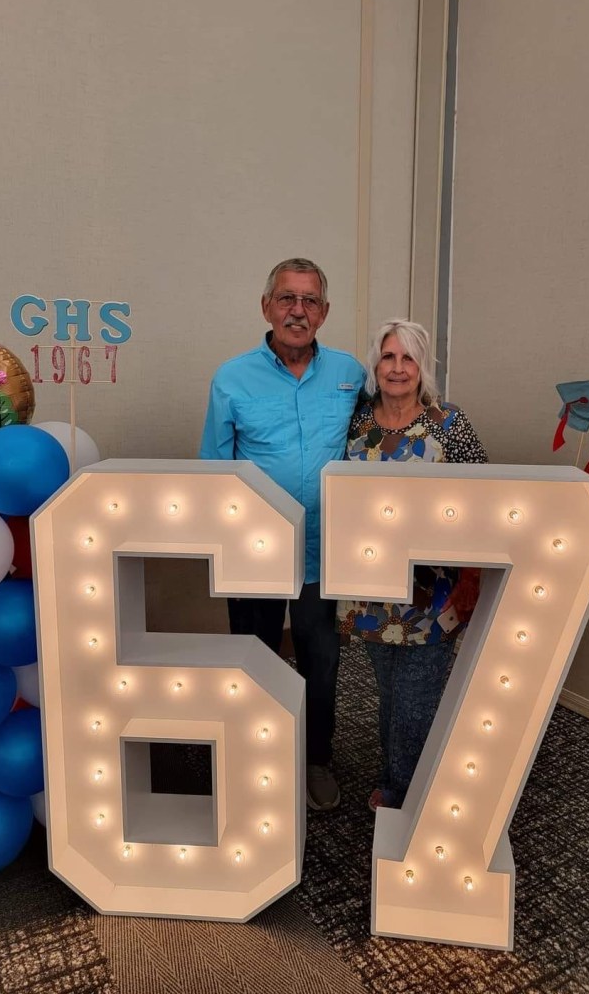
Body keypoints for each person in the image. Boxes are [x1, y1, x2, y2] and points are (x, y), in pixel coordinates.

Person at [200, 257, 366, 810]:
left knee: (321, 661)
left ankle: (315, 757)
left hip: (323, 550)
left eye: (309, 300)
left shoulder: (350, 374)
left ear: (325, 312)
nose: (298, 310)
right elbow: (214, 469)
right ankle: (256, 759)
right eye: (287, 298)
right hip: (255, 551)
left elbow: (375, 441)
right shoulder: (231, 378)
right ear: (266, 306)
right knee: (256, 658)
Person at [336, 319, 488, 811]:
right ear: (374, 365)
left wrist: (473, 577)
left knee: (416, 703)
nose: (397, 368)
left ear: (423, 367)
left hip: (434, 592)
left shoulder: (450, 423)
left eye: (408, 358)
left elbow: (482, 501)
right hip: (370, 590)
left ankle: (410, 798)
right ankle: (394, 780)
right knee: (390, 695)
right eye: (388, 357)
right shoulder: (355, 422)